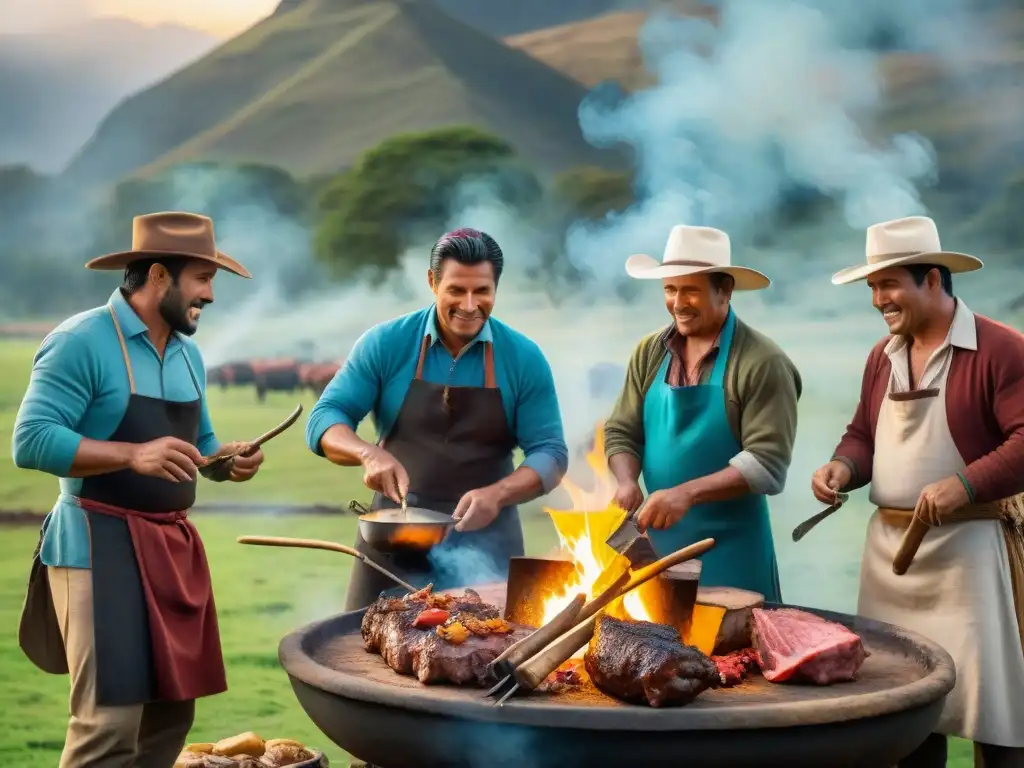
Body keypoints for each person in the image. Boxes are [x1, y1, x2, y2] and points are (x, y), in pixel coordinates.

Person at [14, 212, 266, 768]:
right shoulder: (79, 341)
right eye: (202, 278)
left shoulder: (188, 354)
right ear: (158, 275)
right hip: (94, 545)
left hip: (171, 552)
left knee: (170, 716)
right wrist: (132, 454)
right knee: (109, 724)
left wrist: (224, 462)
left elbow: (198, 447)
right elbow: (29, 441)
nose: (209, 294)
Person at [811, 215, 1024, 768]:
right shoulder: (881, 357)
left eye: (889, 284)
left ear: (932, 279)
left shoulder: (1000, 349)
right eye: (873, 288)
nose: (879, 298)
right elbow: (862, 435)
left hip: (971, 556)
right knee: (904, 715)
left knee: (996, 713)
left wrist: (966, 483)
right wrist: (840, 468)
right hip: (889, 558)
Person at [306, 228, 568, 611]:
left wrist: (498, 495)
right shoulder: (386, 343)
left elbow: (551, 453)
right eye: (456, 291)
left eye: (482, 291)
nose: (469, 305)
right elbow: (325, 418)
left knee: (487, 655)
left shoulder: (523, 358)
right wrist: (367, 454)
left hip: (488, 543)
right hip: (393, 537)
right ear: (432, 282)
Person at [604, 225, 801, 601]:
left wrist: (686, 495)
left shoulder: (763, 362)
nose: (678, 302)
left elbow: (767, 464)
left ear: (724, 290)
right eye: (670, 289)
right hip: (658, 557)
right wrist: (627, 480)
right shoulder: (650, 351)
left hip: (734, 556)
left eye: (690, 290)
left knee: (736, 658)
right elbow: (621, 431)